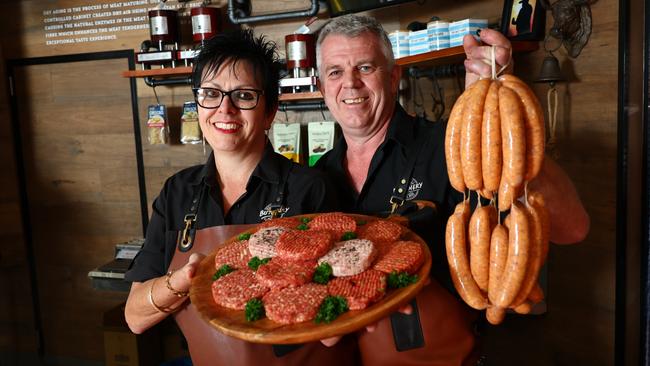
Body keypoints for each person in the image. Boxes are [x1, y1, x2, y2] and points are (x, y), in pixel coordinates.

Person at [314, 14, 589, 365]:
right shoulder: (318, 177)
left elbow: (573, 227)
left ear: (394, 76)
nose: (350, 84)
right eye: (335, 71)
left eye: (365, 67)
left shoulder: (450, 144)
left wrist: (505, 130)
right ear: (321, 87)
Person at [124, 29, 358, 366]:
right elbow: (135, 317)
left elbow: (334, 329)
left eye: (244, 96)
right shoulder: (177, 192)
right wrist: (183, 280)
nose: (225, 109)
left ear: (270, 111)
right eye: (211, 94)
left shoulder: (310, 188)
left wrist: (282, 277)